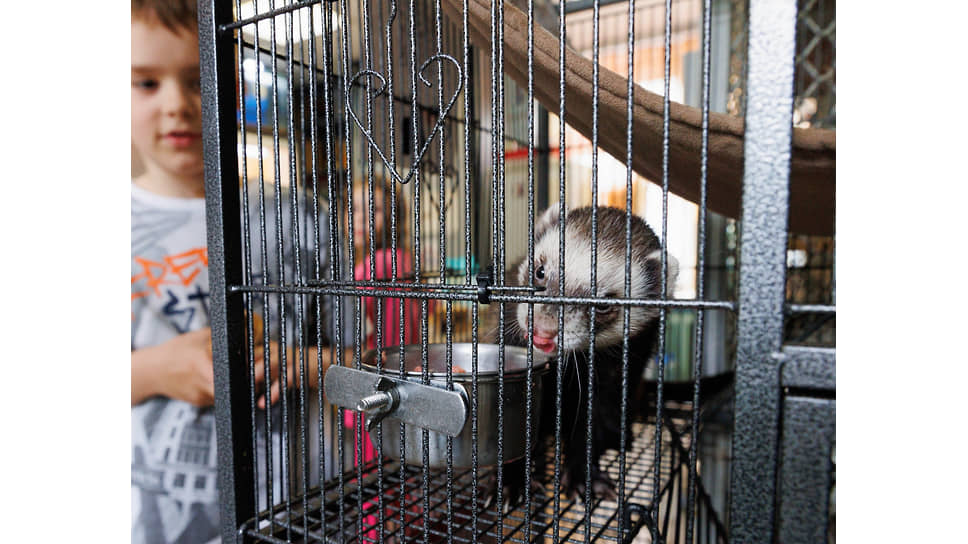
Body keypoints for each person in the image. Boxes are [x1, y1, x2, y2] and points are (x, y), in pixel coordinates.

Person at [130, 2, 345, 542]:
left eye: (198, 79)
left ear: (232, 85)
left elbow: (361, 357)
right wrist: (158, 370)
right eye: (146, 83)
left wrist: (300, 363)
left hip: (302, 500)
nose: (178, 105)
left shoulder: (304, 218)